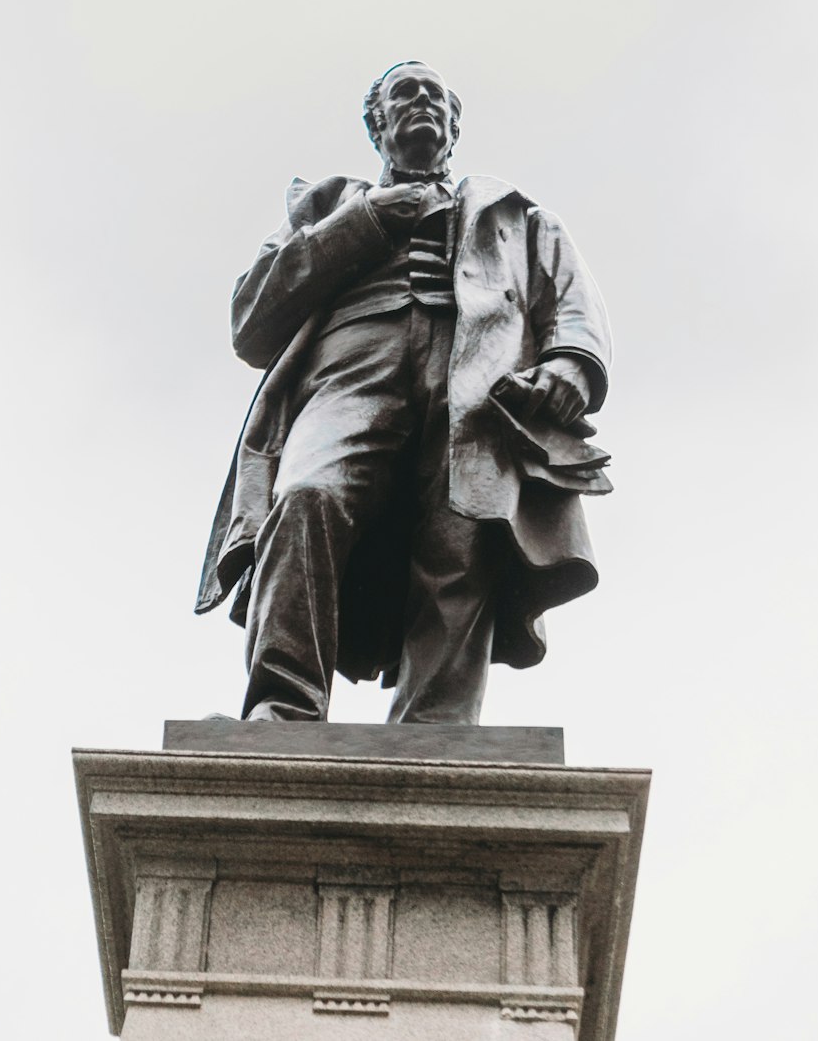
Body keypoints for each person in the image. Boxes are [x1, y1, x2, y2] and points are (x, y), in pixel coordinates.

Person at [195, 62, 612, 723]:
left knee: (464, 539)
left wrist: (571, 363)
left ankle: (437, 724)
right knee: (306, 498)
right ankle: (282, 704)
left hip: (477, 380)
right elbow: (252, 321)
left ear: (453, 125)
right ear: (377, 123)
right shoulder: (325, 206)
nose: (422, 102)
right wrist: (368, 220)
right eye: (404, 93)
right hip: (350, 370)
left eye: (436, 96)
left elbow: (570, 299)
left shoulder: (511, 212)